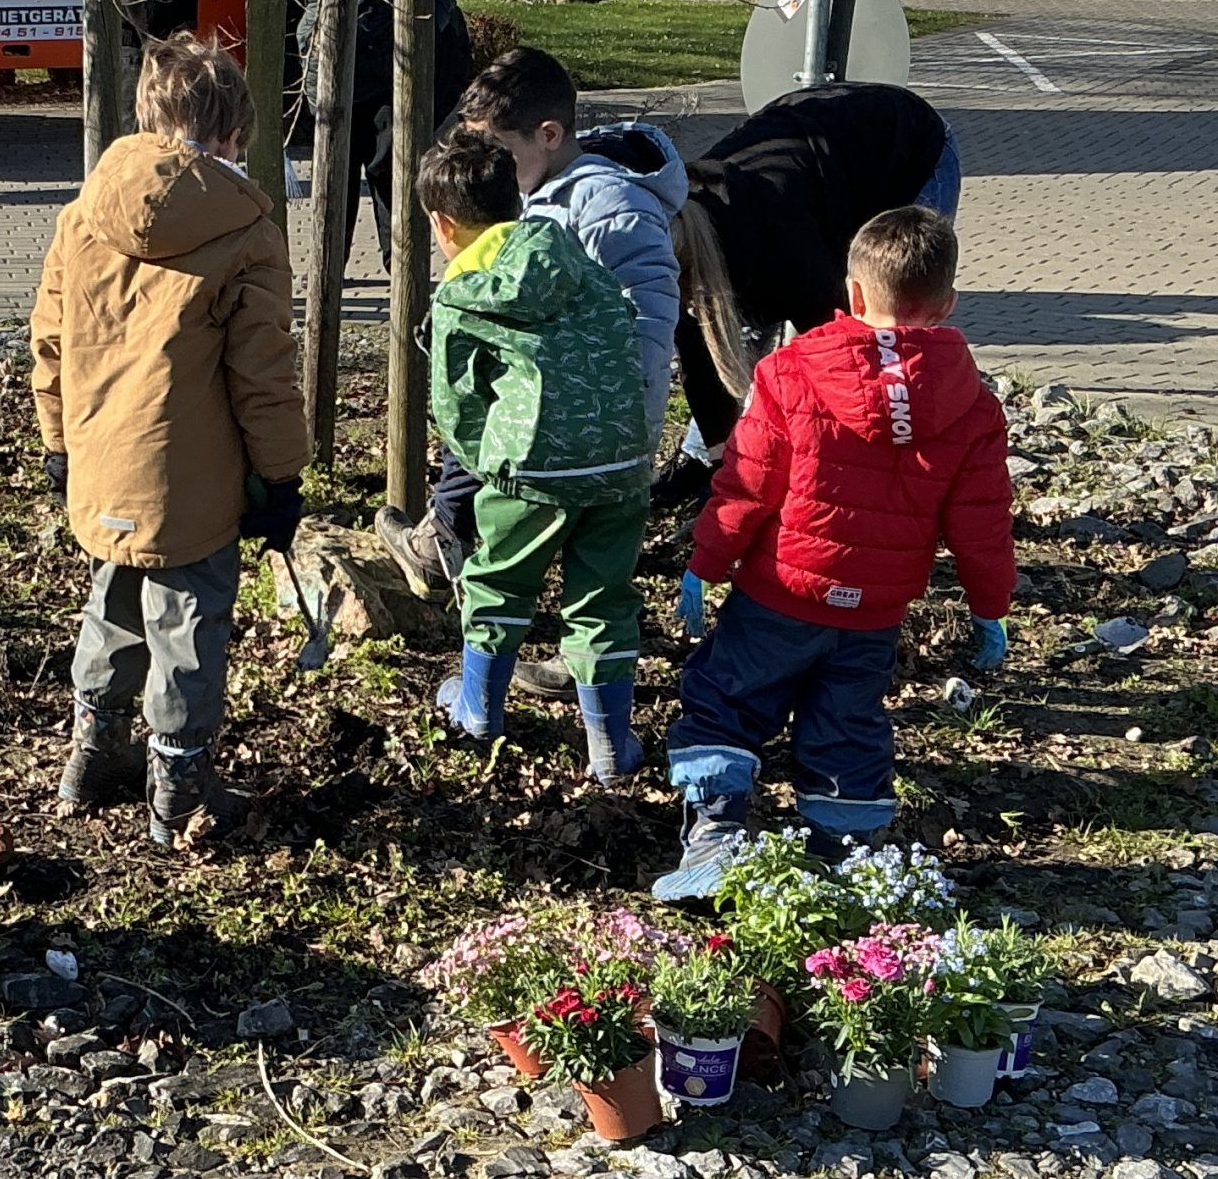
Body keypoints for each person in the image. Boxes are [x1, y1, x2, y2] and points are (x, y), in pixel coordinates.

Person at [654, 204, 1013, 902]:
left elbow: (746, 484)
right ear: (946, 303)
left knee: (727, 700)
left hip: (780, 593)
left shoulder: (793, 373)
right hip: (873, 610)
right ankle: (842, 857)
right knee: (847, 723)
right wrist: (989, 608)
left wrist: (705, 563)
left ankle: (716, 837)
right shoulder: (972, 406)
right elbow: (981, 523)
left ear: (852, 295)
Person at [30, 34, 310, 848]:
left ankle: (93, 753)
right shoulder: (247, 233)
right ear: (232, 137)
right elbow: (263, 372)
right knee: (188, 620)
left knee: (112, 600)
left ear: (150, 115)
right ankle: (179, 788)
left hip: (100, 461)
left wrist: (58, 440)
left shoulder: (85, 213)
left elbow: (48, 336)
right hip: (189, 478)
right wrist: (282, 477)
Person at [380, 45, 684, 595]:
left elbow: (648, 319)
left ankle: (454, 556)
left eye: (496, 148)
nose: (487, 163)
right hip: (549, 401)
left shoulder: (611, 206)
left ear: (548, 134)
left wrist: (626, 419)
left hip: (587, 416)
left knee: (579, 578)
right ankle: (449, 540)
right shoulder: (538, 191)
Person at [417, 129, 655, 778]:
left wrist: (485, 464)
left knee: (498, 585)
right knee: (603, 600)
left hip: (533, 466)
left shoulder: (462, 295)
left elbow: (457, 408)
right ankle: (609, 749)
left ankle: (478, 714)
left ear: (441, 224)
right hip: (622, 462)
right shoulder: (574, 256)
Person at [671, 80, 963, 472]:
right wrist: (719, 462)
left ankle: (916, 456)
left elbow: (845, 348)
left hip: (908, 148)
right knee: (737, 330)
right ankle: (701, 460)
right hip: (817, 166)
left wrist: (837, 460)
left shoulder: (788, 257)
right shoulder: (677, 233)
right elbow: (701, 354)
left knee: (893, 318)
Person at [288, 0, 472, 262]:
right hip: (332, 66)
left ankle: (398, 261)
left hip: (389, 66)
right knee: (334, 172)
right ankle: (329, 261)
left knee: (390, 169)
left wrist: (431, 24)